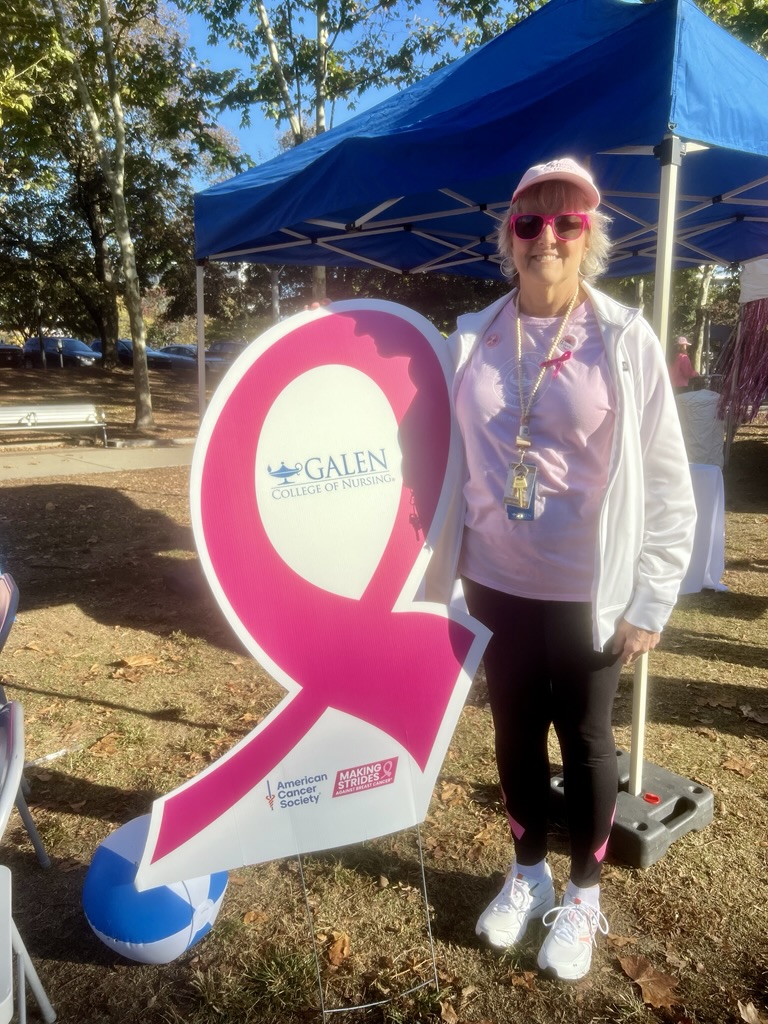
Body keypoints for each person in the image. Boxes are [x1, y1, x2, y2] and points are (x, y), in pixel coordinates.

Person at [431, 157, 696, 981]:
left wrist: (651, 595)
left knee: (585, 743)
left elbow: (665, 477)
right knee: (512, 731)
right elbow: (423, 444)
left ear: (590, 237)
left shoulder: (624, 337)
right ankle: (525, 873)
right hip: (495, 580)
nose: (547, 236)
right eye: (529, 222)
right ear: (507, 237)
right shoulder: (472, 337)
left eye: (567, 222)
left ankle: (582, 896)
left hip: (590, 590)